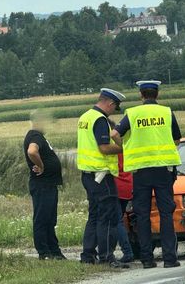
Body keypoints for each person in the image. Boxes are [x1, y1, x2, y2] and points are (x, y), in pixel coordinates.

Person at [111, 80, 182, 269]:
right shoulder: (166, 112)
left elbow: (114, 134)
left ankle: (147, 260)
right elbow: (177, 139)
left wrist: (126, 146)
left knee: (142, 215)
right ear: (157, 95)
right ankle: (169, 259)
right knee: (166, 213)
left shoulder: (133, 114)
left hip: (140, 171)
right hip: (163, 169)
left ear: (141, 95)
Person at [77, 88, 128, 268]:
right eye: (115, 108)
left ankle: (88, 256)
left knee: (94, 215)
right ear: (110, 103)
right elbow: (104, 148)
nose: (114, 111)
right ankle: (107, 257)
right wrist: (124, 149)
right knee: (108, 217)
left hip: (88, 174)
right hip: (102, 175)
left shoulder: (85, 117)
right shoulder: (100, 120)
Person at [24, 109, 66, 260]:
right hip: (42, 184)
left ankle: (54, 250)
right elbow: (32, 151)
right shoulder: (34, 135)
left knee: (50, 219)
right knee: (42, 219)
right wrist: (41, 165)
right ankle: (44, 252)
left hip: (49, 184)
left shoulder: (39, 136)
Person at [115, 153, 134, 263]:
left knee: (116, 221)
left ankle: (127, 252)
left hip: (116, 185)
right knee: (119, 220)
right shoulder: (125, 145)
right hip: (127, 184)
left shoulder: (112, 147)